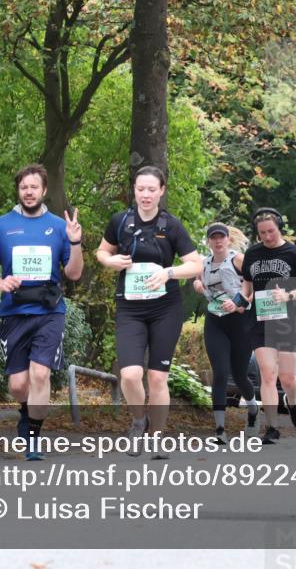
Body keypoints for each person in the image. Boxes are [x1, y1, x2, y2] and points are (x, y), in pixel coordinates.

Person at [95, 166, 202, 459]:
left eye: (151, 189)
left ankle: (157, 439)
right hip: (130, 308)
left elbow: (196, 264)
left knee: (157, 379)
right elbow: (101, 252)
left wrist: (169, 272)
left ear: (161, 191)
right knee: (130, 375)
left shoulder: (172, 226)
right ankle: (139, 420)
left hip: (165, 308)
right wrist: (111, 261)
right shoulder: (120, 221)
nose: (145, 195)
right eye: (140, 189)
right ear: (134, 190)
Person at [0, 164, 83, 460]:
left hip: (50, 312)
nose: (28, 192)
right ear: (18, 190)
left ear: (44, 190)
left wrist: (75, 242)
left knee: (40, 374)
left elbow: (74, 273)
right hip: (14, 311)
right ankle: (25, 410)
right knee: (18, 384)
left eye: (34, 187)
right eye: (23, 187)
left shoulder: (59, 227)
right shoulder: (2, 225)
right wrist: (0, 282)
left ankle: (34, 438)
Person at [239, 208, 296, 444]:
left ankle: (292, 402)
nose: (267, 236)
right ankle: (272, 427)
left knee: (286, 377)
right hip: (261, 320)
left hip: (288, 321)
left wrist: (289, 295)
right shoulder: (252, 254)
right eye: (262, 232)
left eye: (271, 231)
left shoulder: (294, 253)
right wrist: (241, 301)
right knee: (267, 373)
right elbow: (247, 285)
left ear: (279, 228)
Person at [191, 223, 259, 444]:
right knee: (220, 372)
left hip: (240, 322)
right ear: (209, 242)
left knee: (239, 375)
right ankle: (220, 429)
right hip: (216, 321)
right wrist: (198, 286)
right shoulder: (204, 263)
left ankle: (252, 410)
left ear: (228, 240)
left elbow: (253, 286)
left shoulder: (237, 259)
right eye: (213, 238)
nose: (218, 241)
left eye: (221, 237)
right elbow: (196, 280)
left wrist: (240, 303)